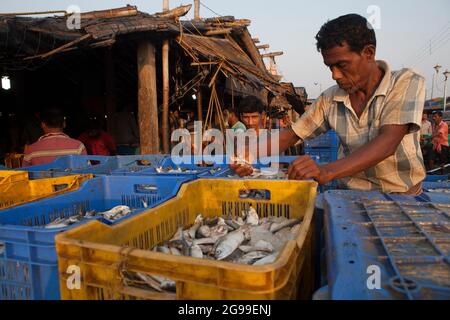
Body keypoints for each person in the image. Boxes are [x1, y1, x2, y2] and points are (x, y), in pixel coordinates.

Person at [232, 14, 427, 195]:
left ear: (368, 53)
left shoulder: (405, 81)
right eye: (330, 67)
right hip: (350, 197)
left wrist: (327, 171)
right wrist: (246, 154)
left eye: (341, 65)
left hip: (403, 197)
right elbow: (291, 136)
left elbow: (388, 142)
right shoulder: (330, 99)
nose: (335, 75)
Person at [23, 108, 87, 166]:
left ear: (43, 125)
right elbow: (87, 173)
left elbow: (24, 175)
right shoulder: (79, 147)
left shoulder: (31, 151)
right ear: (64, 124)